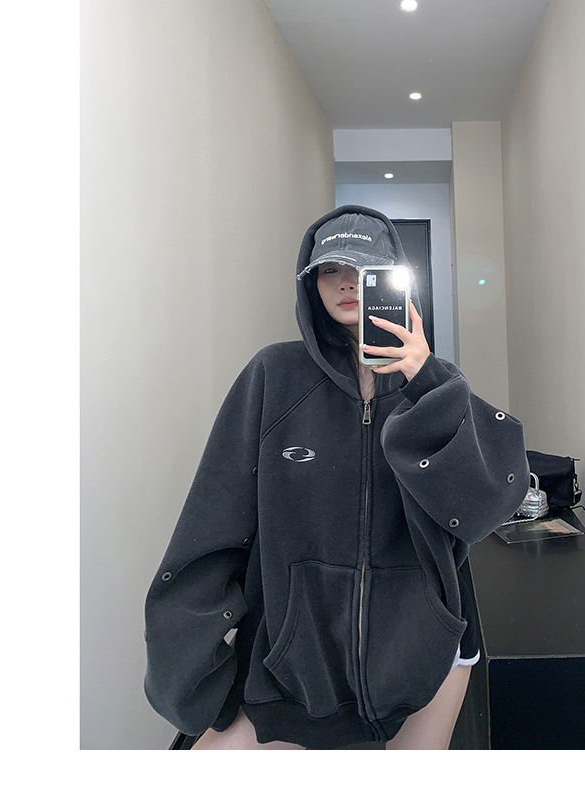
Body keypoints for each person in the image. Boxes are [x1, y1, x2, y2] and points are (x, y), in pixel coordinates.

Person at [144, 204, 529, 750]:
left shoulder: (436, 383)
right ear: (311, 283)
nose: (347, 282)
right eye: (330, 269)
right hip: (296, 670)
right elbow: (212, 523)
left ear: (395, 281)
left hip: (425, 655)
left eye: (366, 270)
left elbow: (485, 504)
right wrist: (194, 673)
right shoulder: (273, 376)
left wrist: (426, 382)